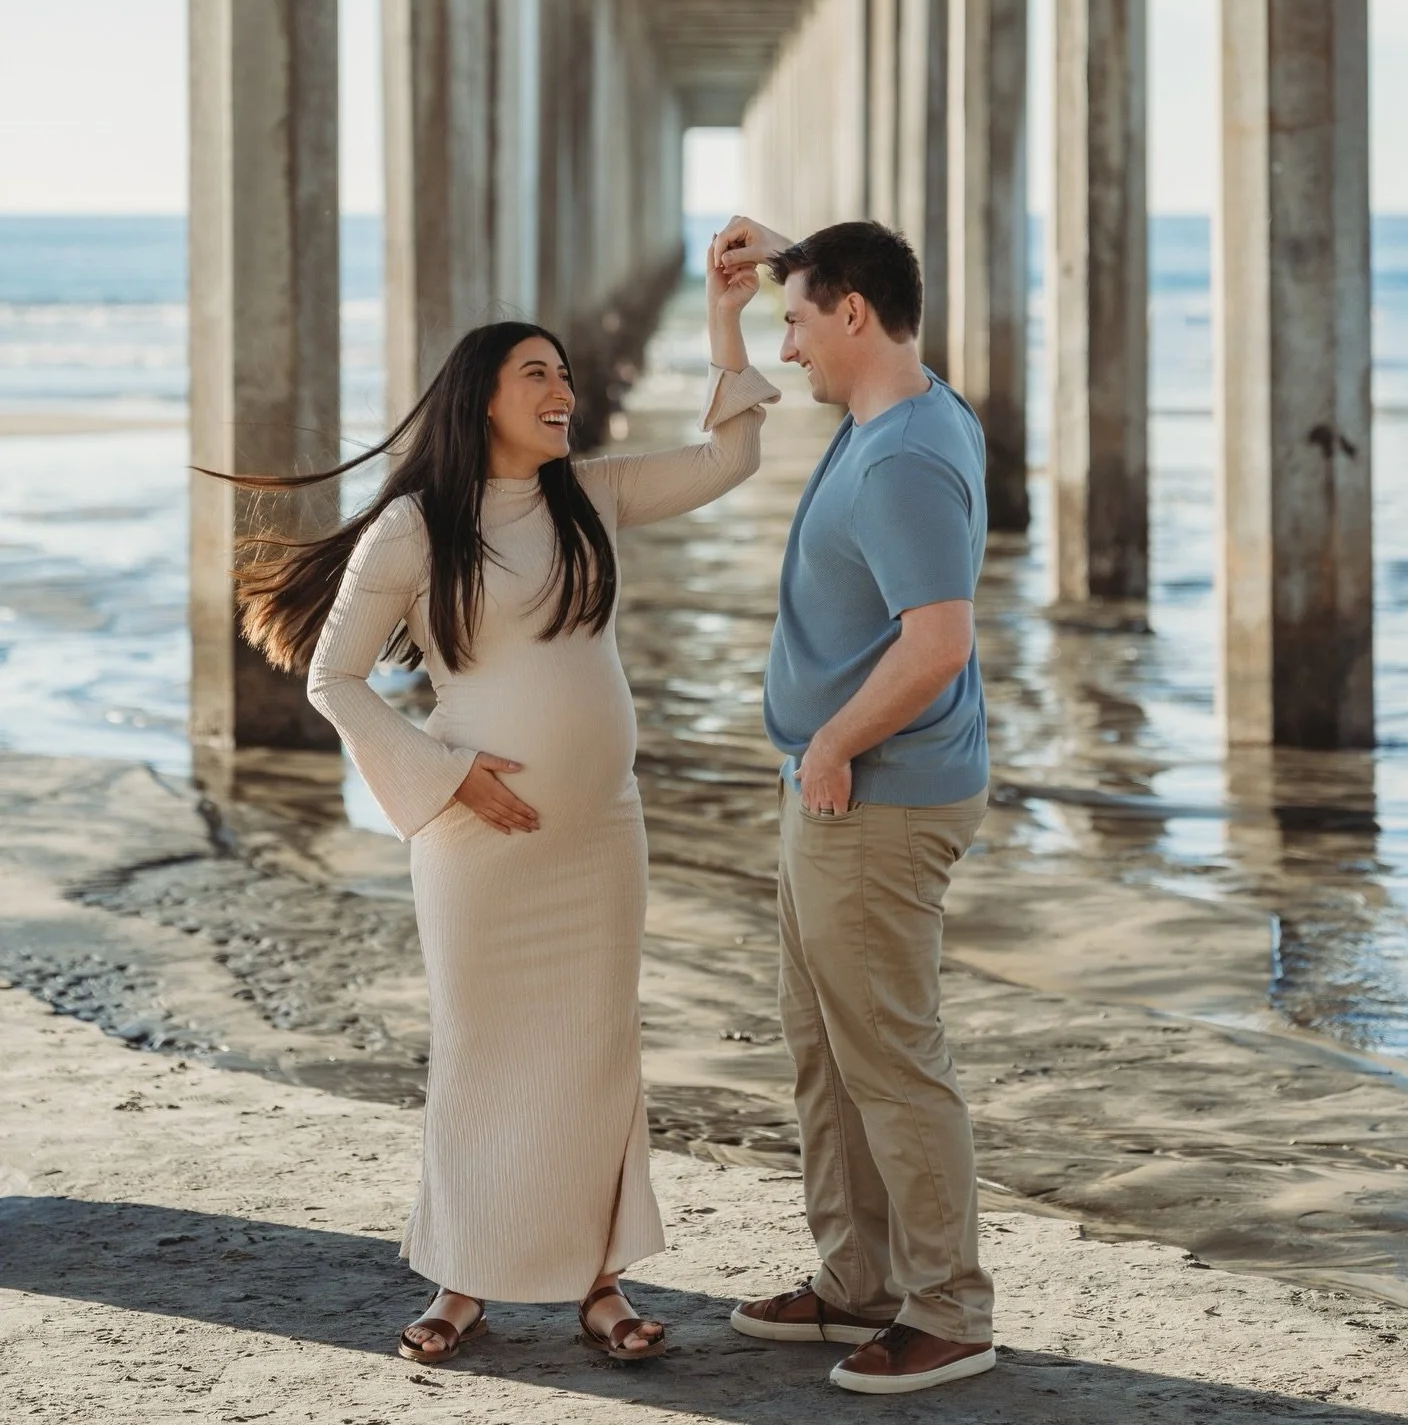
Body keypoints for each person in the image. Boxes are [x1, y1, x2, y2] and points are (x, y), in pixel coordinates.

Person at [207, 243, 776, 1365]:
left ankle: (598, 1285)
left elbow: (728, 460)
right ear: (482, 396)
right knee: (481, 1053)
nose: (563, 391)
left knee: (596, 1053)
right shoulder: (417, 528)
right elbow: (333, 678)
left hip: (601, 838)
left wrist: (723, 315)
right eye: (538, 375)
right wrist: (443, 773)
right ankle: (464, 1280)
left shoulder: (593, 499)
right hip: (477, 844)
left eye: (565, 375)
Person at [716, 216, 995, 1397]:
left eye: (794, 320)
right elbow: (855, 277)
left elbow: (938, 643)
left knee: (889, 1058)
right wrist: (788, 255)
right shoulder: (908, 407)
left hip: (874, 794)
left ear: (852, 315)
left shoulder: (902, 459)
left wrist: (829, 743)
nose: (786, 349)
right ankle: (859, 1282)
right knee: (824, 1051)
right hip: (836, 789)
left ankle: (948, 1310)